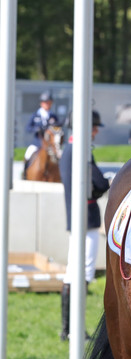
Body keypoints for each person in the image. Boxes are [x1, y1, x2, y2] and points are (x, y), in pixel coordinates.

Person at [59, 110, 110, 341]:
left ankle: (68, 328)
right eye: (94, 126)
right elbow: (98, 183)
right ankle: (73, 329)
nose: (96, 131)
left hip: (77, 216)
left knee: (73, 272)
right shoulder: (79, 150)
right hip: (86, 218)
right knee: (83, 272)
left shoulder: (70, 148)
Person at [24, 91, 61, 173]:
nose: (47, 104)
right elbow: (28, 128)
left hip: (50, 144)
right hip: (38, 142)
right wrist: (37, 129)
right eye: (46, 103)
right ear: (41, 103)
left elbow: (58, 129)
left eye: (49, 103)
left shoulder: (53, 116)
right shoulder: (35, 115)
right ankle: (25, 174)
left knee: (59, 156)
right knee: (28, 154)